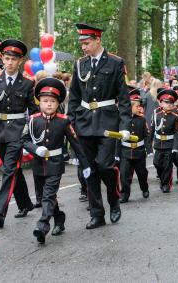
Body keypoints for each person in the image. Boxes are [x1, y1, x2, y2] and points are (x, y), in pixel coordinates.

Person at [68, 23, 131, 229]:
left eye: (87, 43)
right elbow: (75, 95)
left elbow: (123, 98)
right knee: (89, 169)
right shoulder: (80, 64)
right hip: (85, 122)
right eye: (82, 44)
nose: (84, 47)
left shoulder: (115, 63)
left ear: (97, 40)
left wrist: (125, 126)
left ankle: (114, 200)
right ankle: (97, 214)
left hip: (107, 122)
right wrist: (72, 121)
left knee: (105, 165)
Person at [22, 77, 90, 243]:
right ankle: (59, 218)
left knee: (48, 195)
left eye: (52, 101)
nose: (49, 104)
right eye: (45, 101)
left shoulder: (63, 121)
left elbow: (75, 143)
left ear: (58, 102)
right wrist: (35, 149)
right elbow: (23, 140)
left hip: (55, 165)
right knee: (43, 196)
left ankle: (42, 226)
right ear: (39, 102)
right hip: (38, 165)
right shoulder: (32, 120)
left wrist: (85, 163)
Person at [0, 39, 37, 228]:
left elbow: (34, 111)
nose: (10, 62)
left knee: (8, 169)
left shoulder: (28, 83)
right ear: (2, 59)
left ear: (20, 61)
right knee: (14, 169)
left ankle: (0, 212)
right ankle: (25, 203)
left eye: (14, 59)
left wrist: (33, 133)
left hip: (18, 131)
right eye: (6, 58)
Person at [119, 87, 150, 203]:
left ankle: (144, 188)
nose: (140, 108)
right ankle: (125, 194)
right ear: (129, 107)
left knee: (142, 173)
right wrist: (116, 153)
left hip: (139, 151)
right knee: (124, 174)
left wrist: (148, 149)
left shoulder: (142, 120)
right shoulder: (121, 120)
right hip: (125, 151)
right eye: (137, 106)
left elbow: (147, 136)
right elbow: (118, 136)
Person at [149, 88, 178, 193]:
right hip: (158, 144)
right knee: (157, 163)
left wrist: (175, 147)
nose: (169, 104)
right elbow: (152, 130)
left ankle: (166, 184)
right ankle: (162, 179)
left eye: (171, 103)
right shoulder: (156, 115)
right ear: (160, 103)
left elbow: (177, 133)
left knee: (167, 165)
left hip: (169, 145)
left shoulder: (175, 117)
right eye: (166, 102)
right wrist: (149, 146)